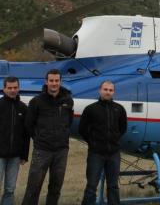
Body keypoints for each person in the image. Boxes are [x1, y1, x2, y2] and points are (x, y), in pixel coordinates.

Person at [22, 69, 74, 205]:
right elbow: (29, 124)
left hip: (61, 151)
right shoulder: (36, 101)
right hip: (42, 150)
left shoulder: (68, 101)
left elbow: (69, 122)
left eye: (57, 81)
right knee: (33, 187)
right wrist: (39, 138)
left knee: (56, 188)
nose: (54, 83)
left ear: (60, 81)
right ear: (46, 82)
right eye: (51, 81)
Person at [79, 81, 127, 205]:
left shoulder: (119, 109)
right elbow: (82, 129)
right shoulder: (90, 109)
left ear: (113, 92)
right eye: (105, 89)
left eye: (110, 90)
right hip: (96, 154)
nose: (108, 92)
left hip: (114, 154)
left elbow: (123, 128)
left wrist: (114, 140)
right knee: (91, 186)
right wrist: (93, 143)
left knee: (113, 186)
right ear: (100, 90)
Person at [0, 76, 30, 205]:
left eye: (15, 87)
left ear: (19, 88)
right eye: (9, 88)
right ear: (4, 88)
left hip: (15, 156)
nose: (13, 90)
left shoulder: (23, 108)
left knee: (10, 188)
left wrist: (24, 155)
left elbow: (26, 134)